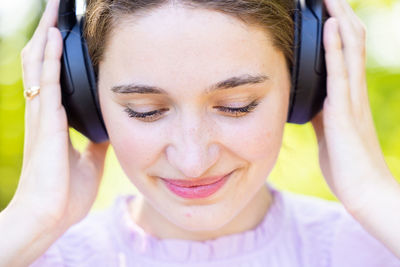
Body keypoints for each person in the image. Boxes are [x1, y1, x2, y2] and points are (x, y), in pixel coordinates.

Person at [0, 0, 399, 266]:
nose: (193, 161)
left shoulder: (373, 246)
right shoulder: (32, 254)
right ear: (86, 100)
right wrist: (28, 222)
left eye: (236, 105)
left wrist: (374, 195)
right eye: (146, 111)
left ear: (303, 87)